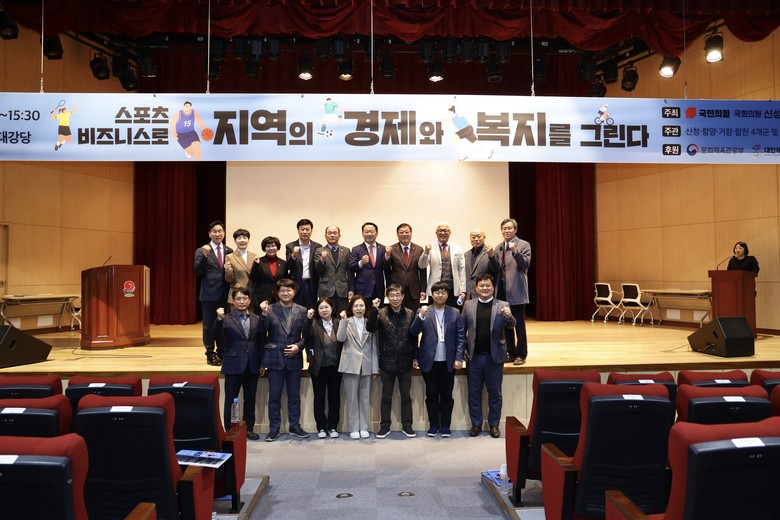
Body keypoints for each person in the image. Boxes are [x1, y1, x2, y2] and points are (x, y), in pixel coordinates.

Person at [461, 275, 516, 439]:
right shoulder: (469, 305)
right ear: (476, 288)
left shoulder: (503, 305)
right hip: (474, 358)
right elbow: (461, 329)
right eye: (481, 286)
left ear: (493, 287)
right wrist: (463, 348)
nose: (484, 288)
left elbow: (512, 325)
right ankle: (476, 424)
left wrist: (509, 316)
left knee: (495, 394)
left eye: (488, 285)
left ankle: (494, 425)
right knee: (474, 393)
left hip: (494, 357)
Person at [410, 281, 465, 437]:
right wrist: (420, 317)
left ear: (447, 295)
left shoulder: (455, 313)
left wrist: (459, 358)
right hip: (429, 361)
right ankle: (433, 425)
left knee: (447, 395)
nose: (440, 295)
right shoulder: (423, 311)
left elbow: (461, 337)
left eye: (443, 292)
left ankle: (445, 426)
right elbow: (413, 332)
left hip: (449, 361)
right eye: (437, 292)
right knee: (431, 395)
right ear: (432, 295)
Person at [258, 278, 309, 441]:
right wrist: (263, 314)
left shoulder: (302, 310)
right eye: (282, 291)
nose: (286, 293)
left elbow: (307, 335)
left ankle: (294, 426)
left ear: (294, 292)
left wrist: (298, 347)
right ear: (277, 293)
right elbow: (261, 331)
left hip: (294, 358)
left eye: (289, 290)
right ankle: (274, 429)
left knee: (294, 396)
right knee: (274, 397)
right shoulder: (270, 309)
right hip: (274, 358)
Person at [366, 284, 418, 438]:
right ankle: (384, 426)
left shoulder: (410, 313)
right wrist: (374, 310)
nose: (395, 298)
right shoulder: (381, 313)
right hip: (386, 361)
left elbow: (414, 338)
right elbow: (370, 328)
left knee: (406, 396)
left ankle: (407, 425)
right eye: (392, 295)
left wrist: (415, 357)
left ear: (403, 297)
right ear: (387, 297)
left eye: (398, 295)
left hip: (406, 360)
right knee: (386, 397)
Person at [213, 287, 264, 440]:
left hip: (253, 364)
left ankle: (249, 428)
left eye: (245, 298)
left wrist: (262, 363)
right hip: (233, 364)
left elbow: (261, 342)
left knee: (250, 399)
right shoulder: (226, 318)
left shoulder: (257, 318)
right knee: (231, 399)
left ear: (249, 300)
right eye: (238, 299)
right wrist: (219, 320)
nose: (242, 301)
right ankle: (230, 429)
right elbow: (215, 335)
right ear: (233, 301)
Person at [337, 295, 379, 439]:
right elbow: (340, 338)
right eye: (356, 306)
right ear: (351, 308)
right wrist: (343, 321)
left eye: (361, 306)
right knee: (352, 398)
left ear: (366, 308)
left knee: (365, 398)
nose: (359, 308)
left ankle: (364, 427)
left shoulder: (370, 323)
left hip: (366, 364)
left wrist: (375, 368)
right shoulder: (346, 321)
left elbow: (374, 347)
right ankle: (353, 428)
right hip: (350, 364)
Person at [194, 220, 233, 366]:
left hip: (225, 295)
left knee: (223, 324)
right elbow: (198, 271)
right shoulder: (202, 250)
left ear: (224, 233)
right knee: (209, 326)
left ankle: (222, 352)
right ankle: (210, 353)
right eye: (214, 231)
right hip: (209, 295)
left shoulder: (229, 251)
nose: (218, 234)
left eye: (220, 231)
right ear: (209, 234)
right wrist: (204, 256)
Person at [303, 297, 343, 439]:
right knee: (319, 398)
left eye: (326, 307)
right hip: (318, 367)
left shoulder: (338, 322)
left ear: (332, 308)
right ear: (317, 310)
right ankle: (321, 427)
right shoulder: (313, 323)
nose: (324, 310)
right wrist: (308, 319)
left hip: (336, 366)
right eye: (321, 308)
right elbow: (305, 335)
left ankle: (332, 426)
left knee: (334, 397)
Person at [496, 218, 531, 365]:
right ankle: (510, 352)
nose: (506, 231)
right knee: (506, 324)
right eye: (504, 228)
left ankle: (521, 354)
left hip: (516, 291)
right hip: (502, 291)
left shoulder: (523, 244)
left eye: (509, 228)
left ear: (515, 230)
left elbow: (525, 264)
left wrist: (515, 252)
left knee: (519, 325)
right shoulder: (499, 247)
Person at [418, 222, 467, 308]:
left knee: (453, 313)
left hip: (453, 290)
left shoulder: (457, 248)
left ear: (450, 233)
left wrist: (463, 290)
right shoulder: (431, 248)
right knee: (434, 313)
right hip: (435, 290)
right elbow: (422, 266)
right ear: (436, 233)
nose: (443, 233)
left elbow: (462, 269)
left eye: (445, 230)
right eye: (440, 231)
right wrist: (426, 252)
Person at [383, 223, 427, 311]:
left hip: (414, 289)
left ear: (411, 233)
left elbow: (423, 270)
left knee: (414, 313)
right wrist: (387, 255)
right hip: (396, 288)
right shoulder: (392, 249)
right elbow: (386, 268)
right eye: (401, 232)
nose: (404, 234)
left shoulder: (419, 249)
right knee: (397, 313)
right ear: (397, 234)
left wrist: (423, 289)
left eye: (406, 232)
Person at [314, 226, 353, 315]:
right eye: (330, 233)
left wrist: (351, 289)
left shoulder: (346, 251)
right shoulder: (319, 250)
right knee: (327, 315)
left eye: (335, 233)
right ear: (325, 236)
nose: (332, 235)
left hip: (342, 290)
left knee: (342, 315)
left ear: (339, 236)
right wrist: (322, 260)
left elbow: (349, 272)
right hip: (326, 290)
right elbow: (317, 270)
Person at [285, 219, 322, 310]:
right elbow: (289, 267)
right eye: (302, 229)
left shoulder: (317, 246)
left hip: (312, 285)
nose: (305, 232)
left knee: (311, 311)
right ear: (298, 231)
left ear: (311, 231)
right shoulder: (290, 246)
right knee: (296, 312)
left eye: (307, 229)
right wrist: (294, 255)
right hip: (296, 284)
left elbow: (319, 267)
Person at [349, 222, 388, 301]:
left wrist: (388, 287)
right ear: (362, 234)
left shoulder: (383, 249)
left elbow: (387, 270)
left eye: (372, 232)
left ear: (376, 233)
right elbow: (351, 268)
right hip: (362, 289)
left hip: (379, 289)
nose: (369, 234)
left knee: (379, 309)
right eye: (366, 232)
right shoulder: (356, 249)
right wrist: (361, 263)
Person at [249, 236, 287, 314]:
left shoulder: (283, 263)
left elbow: (285, 280)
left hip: (278, 298)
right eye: (268, 246)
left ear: (277, 247)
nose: (271, 248)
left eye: (273, 246)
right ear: (264, 248)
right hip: (261, 299)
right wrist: (256, 265)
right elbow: (253, 278)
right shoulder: (259, 261)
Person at [224, 229, 258, 311]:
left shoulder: (254, 256)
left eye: (245, 238)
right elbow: (229, 280)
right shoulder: (230, 257)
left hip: (251, 294)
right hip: (237, 294)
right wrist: (228, 272)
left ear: (248, 240)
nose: (242, 240)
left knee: (251, 318)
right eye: (239, 238)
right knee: (236, 318)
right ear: (235, 241)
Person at [464, 228, 501, 300]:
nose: (476, 239)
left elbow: (496, 270)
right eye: (473, 237)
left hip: (485, 293)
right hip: (469, 295)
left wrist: (492, 256)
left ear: (484, 237)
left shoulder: (490, 252)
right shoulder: (466, 254)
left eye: (479, 236)